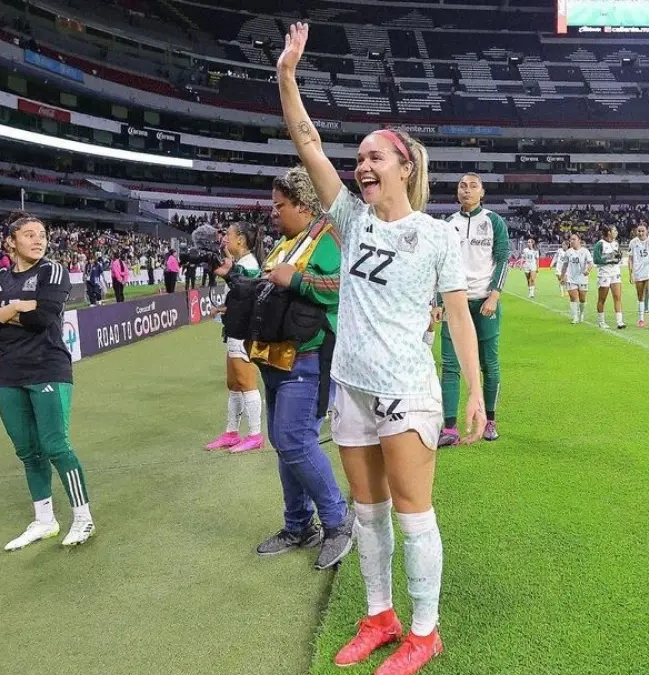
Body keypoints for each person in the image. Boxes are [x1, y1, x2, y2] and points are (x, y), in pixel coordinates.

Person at [278, 23, 487, 675]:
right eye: (359, 157)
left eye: (374, 156)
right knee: (368, 514)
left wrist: (474, 392)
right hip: (353, 388)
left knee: (412, 514)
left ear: (405, 167)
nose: (361, 164)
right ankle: (380, 615)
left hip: (407, 391)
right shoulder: (351, 217)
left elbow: (458, 317)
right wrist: (288, 74)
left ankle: (424, 631)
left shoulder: (435, 236)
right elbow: (307, 140)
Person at [242, 166, 352, 570]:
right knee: (285, 443)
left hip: (309, 356)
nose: (274, 213)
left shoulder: (328, 237)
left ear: (304, 206)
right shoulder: (287, 242)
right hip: (275, 357)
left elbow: (346, 285)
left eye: (280, 205)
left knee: (294, 440)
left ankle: (338, 522)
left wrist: (297, 279)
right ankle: (298, 525)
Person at [0, 214, 95, 550]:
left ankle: (83, 519)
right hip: (10, 371)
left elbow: (43, 318)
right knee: (28, 451)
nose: (39, 240)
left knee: (56, 446)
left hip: (48, 367)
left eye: (42, 235)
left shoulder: (51, 271)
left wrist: (1, 311)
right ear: (11, 242)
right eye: (29, 235)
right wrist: (17, 307)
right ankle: (44, 521)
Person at [437, 173, 508, 447]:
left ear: (482, 192)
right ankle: (450, 428)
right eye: (462, 186)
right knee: (450, 366)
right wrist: (437, 302)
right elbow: (439, 265)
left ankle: (489, 419)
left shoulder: (493, 222)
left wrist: (495, 295)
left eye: (473, 186)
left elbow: (503, 258)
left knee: (489, 365)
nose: (466, 191)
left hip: (484, 303)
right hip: (455, 305)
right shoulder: (448, 225)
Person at [204, 221, 266, 454]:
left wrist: (228, 272)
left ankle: (255, 434)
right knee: (233, 383)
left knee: (246, 383)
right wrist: (222, 308)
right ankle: (231, 432)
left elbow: (247, 291)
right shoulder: (242, 264)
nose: (224, 239)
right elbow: (240, 297)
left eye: (228, 235)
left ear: (240, 239)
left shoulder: (248, 265)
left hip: (243, 332)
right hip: (234, 329)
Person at [629, 224, 649, 329]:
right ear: (636, 231)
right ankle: (641, 319)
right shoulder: (633, 242)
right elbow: (630, 258)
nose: (641, 233)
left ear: (647, 231)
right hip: (638, 272)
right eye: (639, 231)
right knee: (640, 296)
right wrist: (631, 273)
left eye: (643, 231)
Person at [593, 226, 627, 329]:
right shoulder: (600, 244)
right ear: (609, 232)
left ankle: (620, 321)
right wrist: (609, 259)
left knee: (617, 296)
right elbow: (596, 259)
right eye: (614, 230)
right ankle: (601, 321)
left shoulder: (616, 243)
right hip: (604, 273)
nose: (616, 232)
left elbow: (617, 257)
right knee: (602, 298)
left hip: (615, 272)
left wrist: (618, 258)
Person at [559, 233, 593, 324]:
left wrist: (587, 270)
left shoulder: (585, 251)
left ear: (579, 240)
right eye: (571, 240)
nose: (571, 241)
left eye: (574, 239)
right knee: (573, 298)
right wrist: (562, 277)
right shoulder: (568, 252)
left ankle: (581, 314)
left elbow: (590, 263)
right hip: (571, 278)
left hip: (582, 278)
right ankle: (575, 317)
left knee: (582, 299)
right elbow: (565, 265)